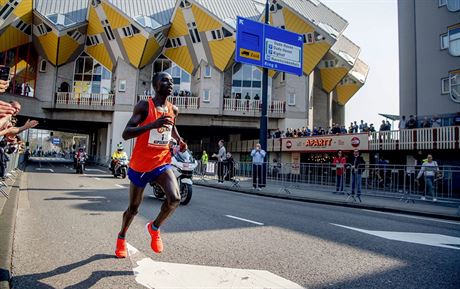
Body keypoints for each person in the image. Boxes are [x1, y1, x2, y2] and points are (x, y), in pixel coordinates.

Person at [114, 72, 187, 258]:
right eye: (164, 80)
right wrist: (151, 125)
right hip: (140, 165)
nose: (169, 83)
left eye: (171, 81)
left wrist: (179, 140)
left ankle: (154, 228)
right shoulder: (144, 106)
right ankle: (122, 236)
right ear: (155, 85)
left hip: (161, 161)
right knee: (133, 208)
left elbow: (172, 126)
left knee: (175, 198)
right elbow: (126, 133)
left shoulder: (173, 109)